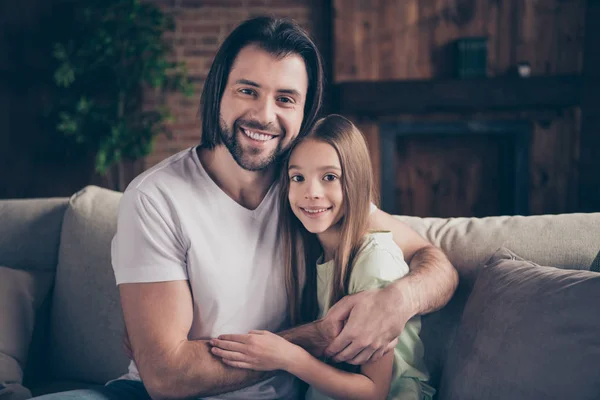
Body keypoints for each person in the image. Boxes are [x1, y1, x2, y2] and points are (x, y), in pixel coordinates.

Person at [32, 16, 457, 400]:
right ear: (219, 91)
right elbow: (166, 378)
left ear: (305, 111)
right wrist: (312, 337)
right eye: (247, 91)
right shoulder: (157, 198)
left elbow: (437, 265)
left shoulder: (311, 193)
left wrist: (398, 300)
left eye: (286, 99)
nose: (263, 115)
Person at [210, 115, 436, 400]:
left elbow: (373, 392)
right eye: (298, 178)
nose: (311, 193)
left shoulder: (374, 259)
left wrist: (288, 357)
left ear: (354, 183)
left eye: (329, 177)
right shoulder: (316, 251)